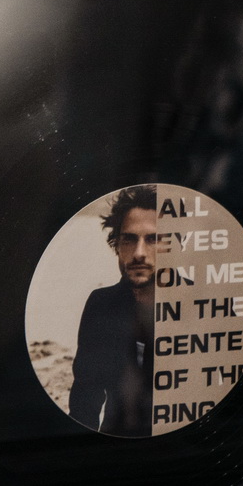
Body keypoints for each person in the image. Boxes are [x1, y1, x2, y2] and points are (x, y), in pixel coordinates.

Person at [67, 185, 165, 436]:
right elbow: (85, 394)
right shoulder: (101, 304)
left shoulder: (198, 305)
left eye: (153, 239)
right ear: (117, 245)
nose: (139, 253)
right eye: (129, 239)